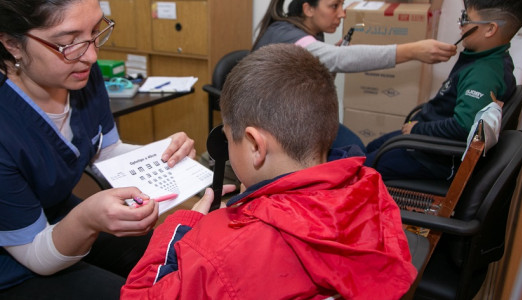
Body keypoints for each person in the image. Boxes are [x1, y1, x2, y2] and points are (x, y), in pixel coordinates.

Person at [0, 0, 196, 299]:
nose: (92, 55)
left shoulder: (75, 70)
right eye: (68, 42)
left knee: (179, 261)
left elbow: (105, 151)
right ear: (11, 43)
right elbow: (37, 257)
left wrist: (163, 155)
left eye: (95, 31)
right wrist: (86, 219)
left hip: (50, 211)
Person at [121, 44, 417, 300]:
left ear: (254, 145)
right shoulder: (371, 190)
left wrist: (184, 224)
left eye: (228, 138)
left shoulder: (218, 251)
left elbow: (138, 293)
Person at [253, 0, 458, 151]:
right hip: (274, 126)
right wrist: (412, 51)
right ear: (308, 9)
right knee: (352, 153)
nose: (342, 14)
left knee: (356, 148)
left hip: (293, 119)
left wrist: (325, 62)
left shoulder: (308, 35)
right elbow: (340, 59)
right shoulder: (284, 33)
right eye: (334, 6)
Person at [364, 0, 522, 181]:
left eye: (466, 19)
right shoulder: (491, 58)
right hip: (426, 141)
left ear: (490, 29)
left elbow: (464, 127)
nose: (461, 25)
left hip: (433, 157)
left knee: (362, 168)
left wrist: (418, 129)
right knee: (371, 147)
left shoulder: (483, 74)